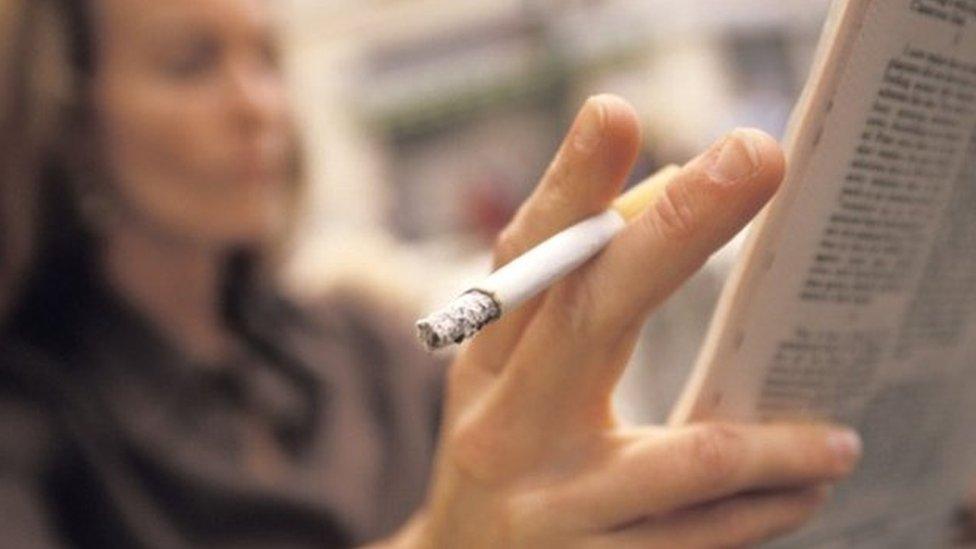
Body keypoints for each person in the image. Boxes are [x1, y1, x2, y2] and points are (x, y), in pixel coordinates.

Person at [1, 0, 865, 547]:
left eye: (265, 58)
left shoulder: (363, 345)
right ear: (66, 116)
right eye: (191, 65)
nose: (259, 105)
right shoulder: (33, 421)